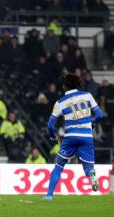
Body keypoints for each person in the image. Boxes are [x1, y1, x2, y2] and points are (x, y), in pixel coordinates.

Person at [45, 73, 103, 201]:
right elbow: (100, 115)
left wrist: (52, 136)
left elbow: (50, 124)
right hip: (86, 136)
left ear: (65, 86)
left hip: (70, 137)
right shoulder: (87, 96)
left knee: (59, 166)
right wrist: (91, 123)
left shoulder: (60, 102)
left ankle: (49, 195)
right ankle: (92, 174)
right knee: (88, 167)